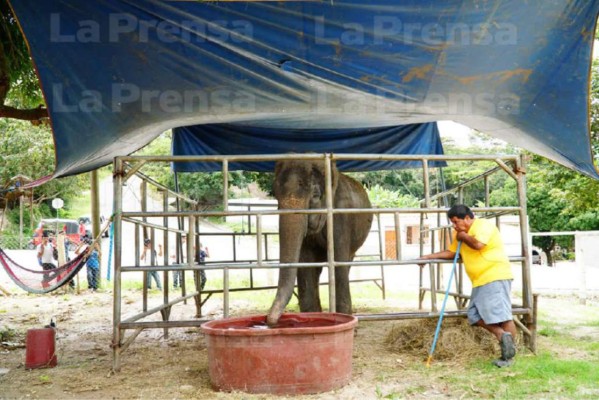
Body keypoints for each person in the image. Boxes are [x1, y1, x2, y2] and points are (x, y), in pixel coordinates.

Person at [418, 204, 517, 368]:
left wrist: (462, 236)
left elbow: (478, 245)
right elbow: (451, 252)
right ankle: (502, 335)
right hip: (480, 279)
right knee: (473, 314)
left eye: (457, 222)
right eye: (453, 223)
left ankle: (509, 356)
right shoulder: (460, 234)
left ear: (468, 218)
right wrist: (427, 257)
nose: (455, 226)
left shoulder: (483, 226)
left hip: (494, 275)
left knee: (502, 316)